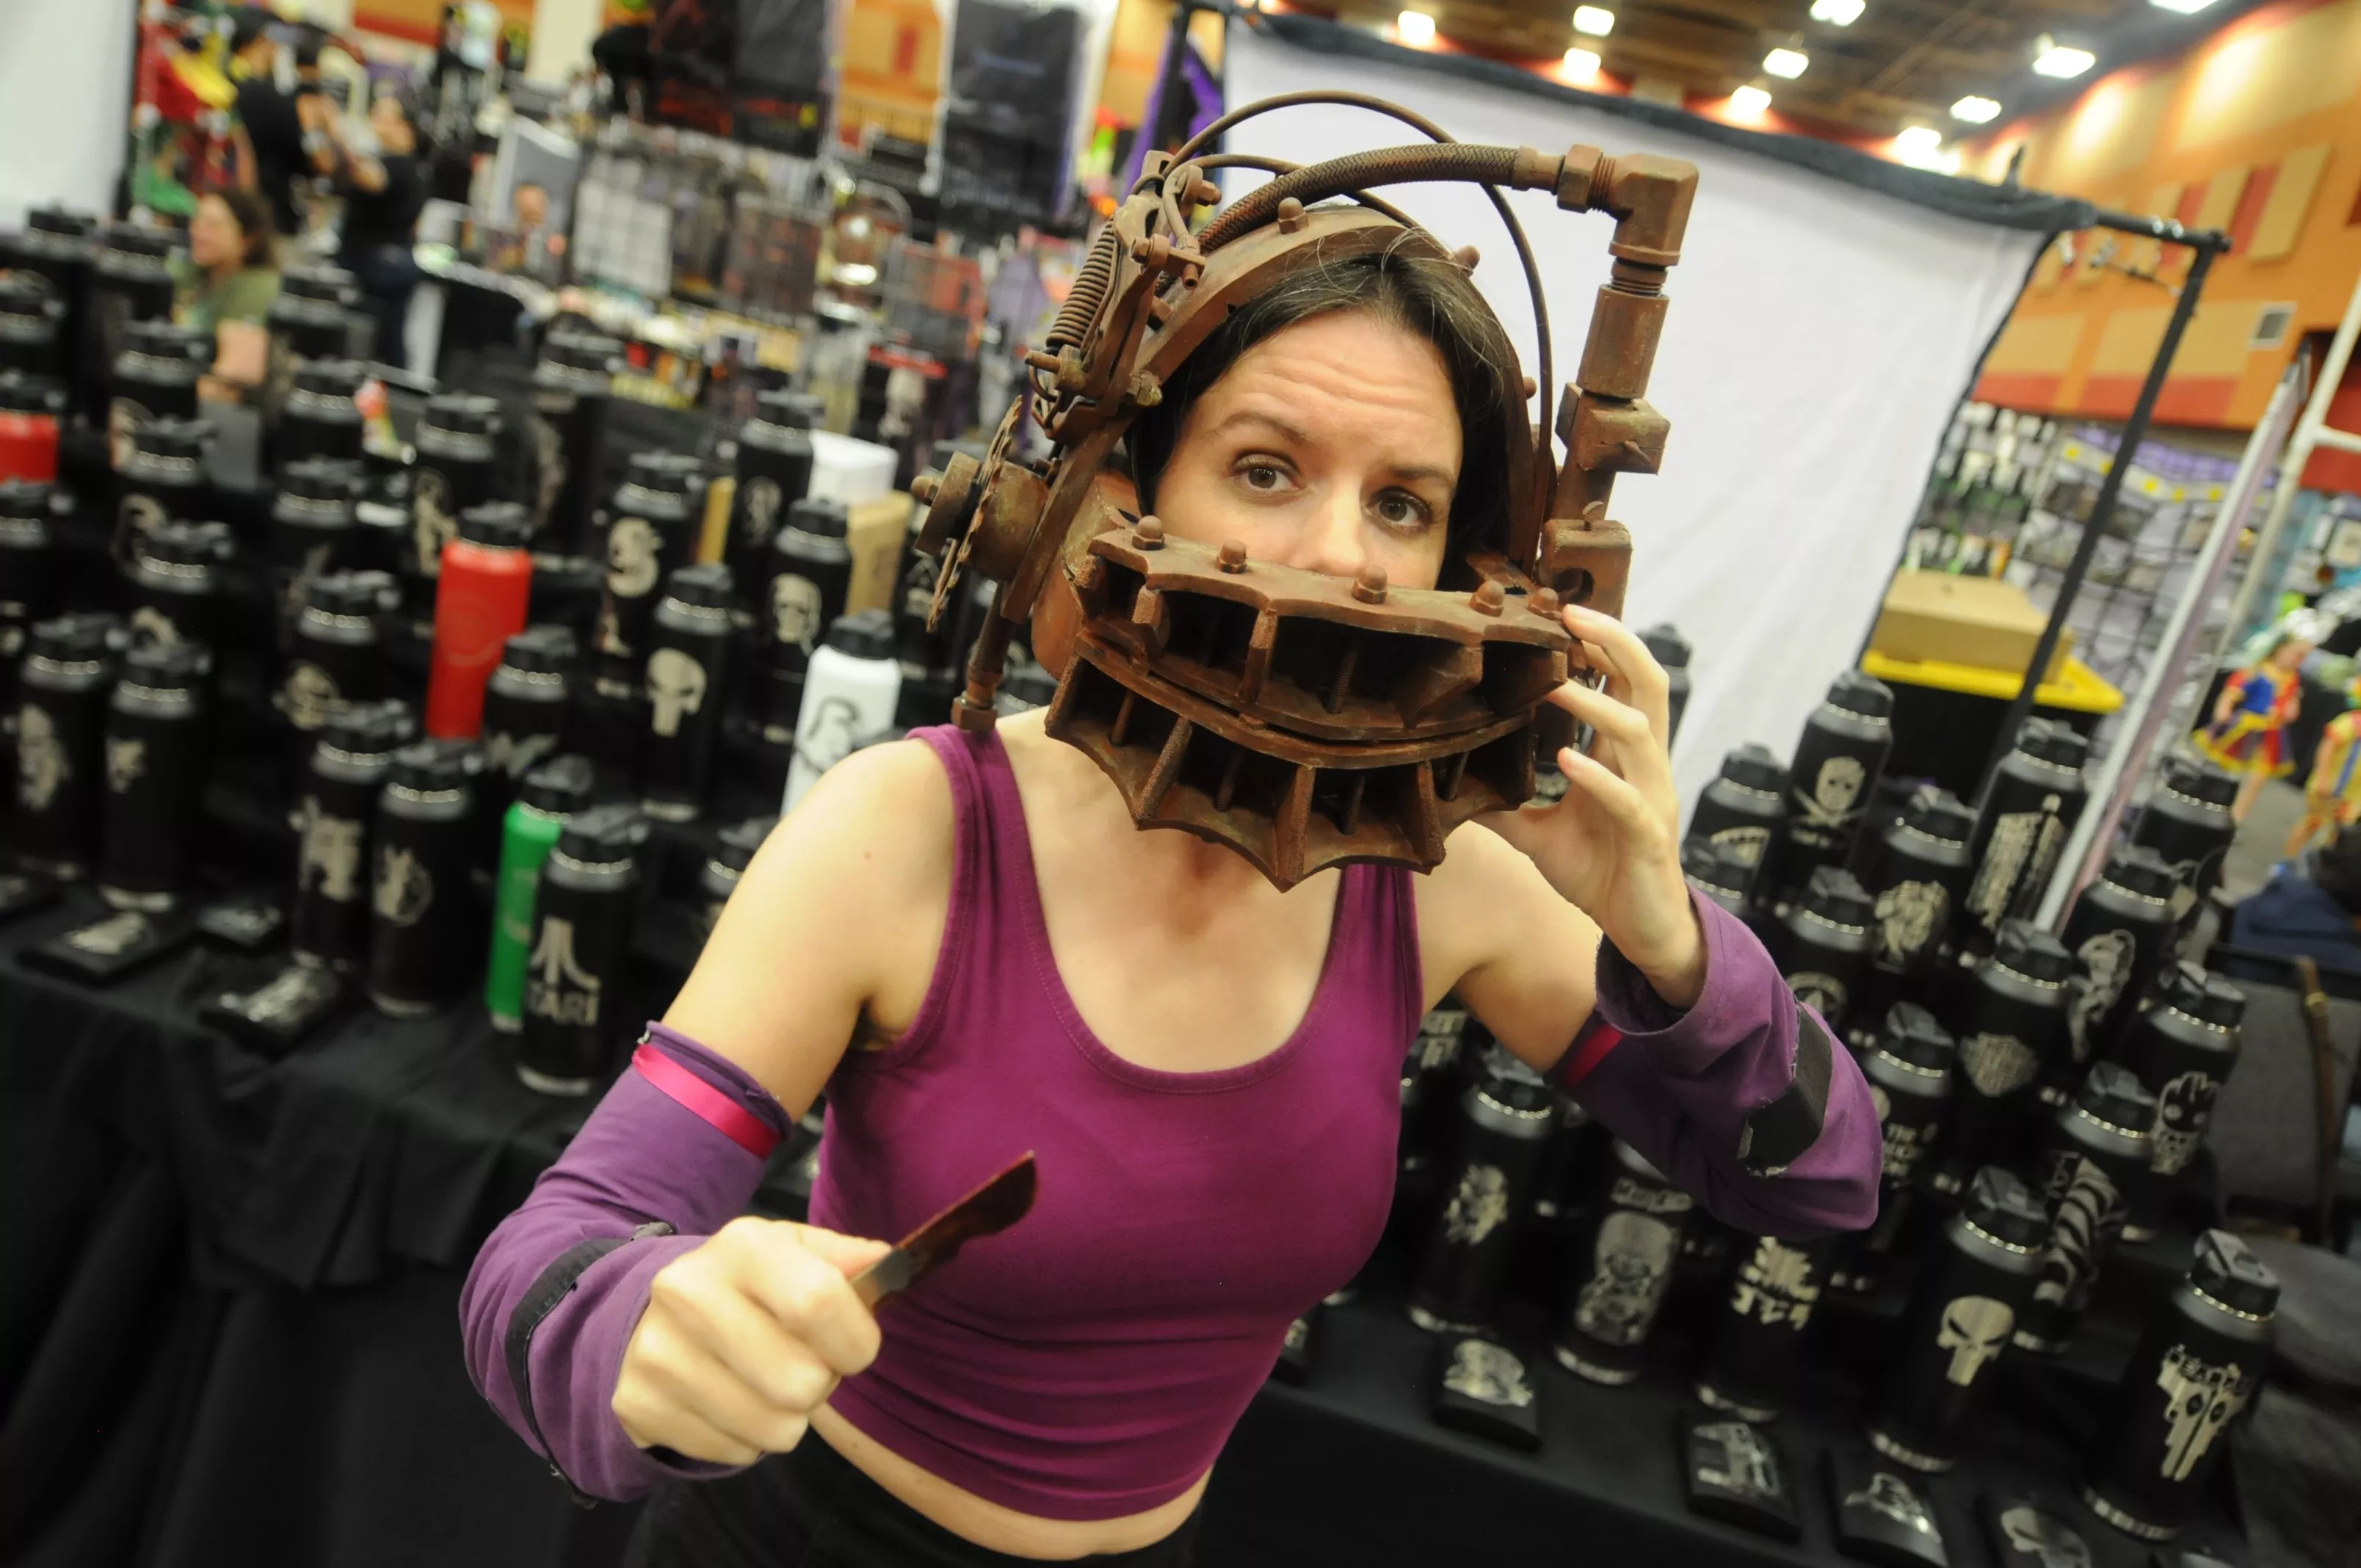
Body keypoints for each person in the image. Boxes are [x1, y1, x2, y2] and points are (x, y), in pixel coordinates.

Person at [460, 220, 1882, 1563]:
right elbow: (549, 1258)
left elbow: (1821, 1183)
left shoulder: (1437, 881)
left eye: (1402, 505)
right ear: (1123, 492)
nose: (1342, 554)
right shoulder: (914, 834)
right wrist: (637, 1324)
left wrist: (1669, 943)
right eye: (1265, 470)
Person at [312, 90, 429, 368]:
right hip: (376, 259)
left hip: (378, 263)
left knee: (372, 341)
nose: (374, 121)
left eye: (382, 116)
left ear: (404, 126)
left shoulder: (401, 164)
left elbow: (372, 179)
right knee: (385, 340)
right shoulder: (396, 162)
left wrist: (339, 130)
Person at [2196, 617, 2319, 823]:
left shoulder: (2292, 680)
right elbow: (2232, 691)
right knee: (2223, 768)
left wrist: (2291, 708)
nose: (2297, 660)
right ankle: (2207, 802)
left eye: (2302, 657)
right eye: (2296, 654)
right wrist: (2224, 708)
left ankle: (2236, 817)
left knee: (2257, 779)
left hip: (2271, 734)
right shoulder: (2258, 671)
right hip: (2245, 728)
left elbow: (2292, 709)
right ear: (2280, 649)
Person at [174, 187, 281, 404]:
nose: (198, 232)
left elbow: (233, 381)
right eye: (197, 221)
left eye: (213, 225)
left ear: (247, 240)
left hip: (227, 411)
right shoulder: (194, 274)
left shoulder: (259, 285)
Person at [228, 10, 305, 236]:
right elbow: (300, 157)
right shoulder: (272, 98)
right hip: (266, 214)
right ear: (264, 42)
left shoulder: (220, 83)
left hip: (227, 207)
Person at [2288, 682, 2361, 857]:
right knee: (2312, 824)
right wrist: (2323, 777)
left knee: (2340, 836)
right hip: (2331, 787)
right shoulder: (2352, 722)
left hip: (2354, 797)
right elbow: (2327, 747)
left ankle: (2323, 867)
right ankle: (2290, 861)